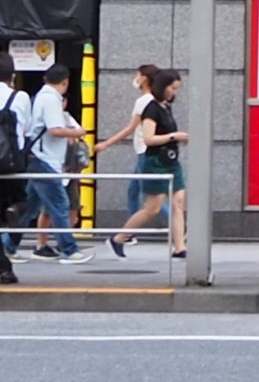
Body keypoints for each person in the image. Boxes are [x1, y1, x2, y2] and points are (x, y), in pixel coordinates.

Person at [110, 68, 187, 258]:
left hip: (170, 160)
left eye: (176, 89)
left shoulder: (164, 107)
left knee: (178, 202)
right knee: (153, 208)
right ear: (162, 86)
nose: (173, 93)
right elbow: (149, 139)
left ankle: (180, 247)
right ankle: (120, 237)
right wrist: (174, 136)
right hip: (155, 161)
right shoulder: (151, 108)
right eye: (172, 88)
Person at [16, 65, 90, 264]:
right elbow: (55, 130)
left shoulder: (42, 96)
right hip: (45, 160)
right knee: (60, 205)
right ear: (65, 82)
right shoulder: (50, 99)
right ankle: (69, 249)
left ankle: (9, 245)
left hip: (39, 159)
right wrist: (78, 132)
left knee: (29, 207)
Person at [94, 64, 172, 230]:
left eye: (137, 75)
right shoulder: (157, 100)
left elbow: (130, 128)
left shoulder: (144, 101)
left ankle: (180, 225)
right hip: (148, 152)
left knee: (151, 199)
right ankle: (130, 231)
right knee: (134, 191)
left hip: (145, 153)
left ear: (144, 78)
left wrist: (106, 143)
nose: (135, 78)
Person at [0, 53, 22, 284]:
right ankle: (14, 210)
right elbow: (24, 132)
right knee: (23, 200)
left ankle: (4, 266)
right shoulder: (20, 97)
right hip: (11, 165)